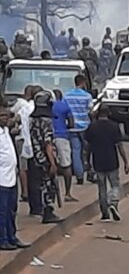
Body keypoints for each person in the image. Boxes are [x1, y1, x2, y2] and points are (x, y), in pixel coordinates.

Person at [85, 105, 129, 222]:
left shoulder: (92, 127)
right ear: (108, 113)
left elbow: (88, 146)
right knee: (115, 184)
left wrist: (86, 161)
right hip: (112, 160)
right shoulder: (114, 126)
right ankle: (113, 203)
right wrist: (125, 161)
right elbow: (119, 145)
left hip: (97, 161)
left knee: (101, 187)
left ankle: (104, 213)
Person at [28, 91, 63, 224]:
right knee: (49, 186)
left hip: (36, 157)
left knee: (41, 185)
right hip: (46, 159)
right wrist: (53, 162)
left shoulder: (32, 120)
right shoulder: (47, 122)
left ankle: (43, 210)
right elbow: (48, 143)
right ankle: (48, 212)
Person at [0, 106, 30, 250]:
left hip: (11, 176)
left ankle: (12, 237)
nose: (5, 118)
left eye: (6, 116)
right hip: (1, 179)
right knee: (2, 211)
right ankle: (3, 239)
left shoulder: (6, 131)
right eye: (1, 116)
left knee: (12, 209)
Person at [65, 75, 93, 185]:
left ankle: (79, 176)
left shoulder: (67, 95)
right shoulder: (87, 96)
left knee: (76, 151)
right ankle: (90, 171)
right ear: (83, 82)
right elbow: (91, 110)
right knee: (88, 151)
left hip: (72, 127)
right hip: (85, 126)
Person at [51, 89, 76, 202]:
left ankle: (51, 194)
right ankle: (67, 193)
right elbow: (71, 123)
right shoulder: (65, 106)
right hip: (62, 136)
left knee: (50, 165)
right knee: (66, 165)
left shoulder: (48, 105)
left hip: (48, 137)